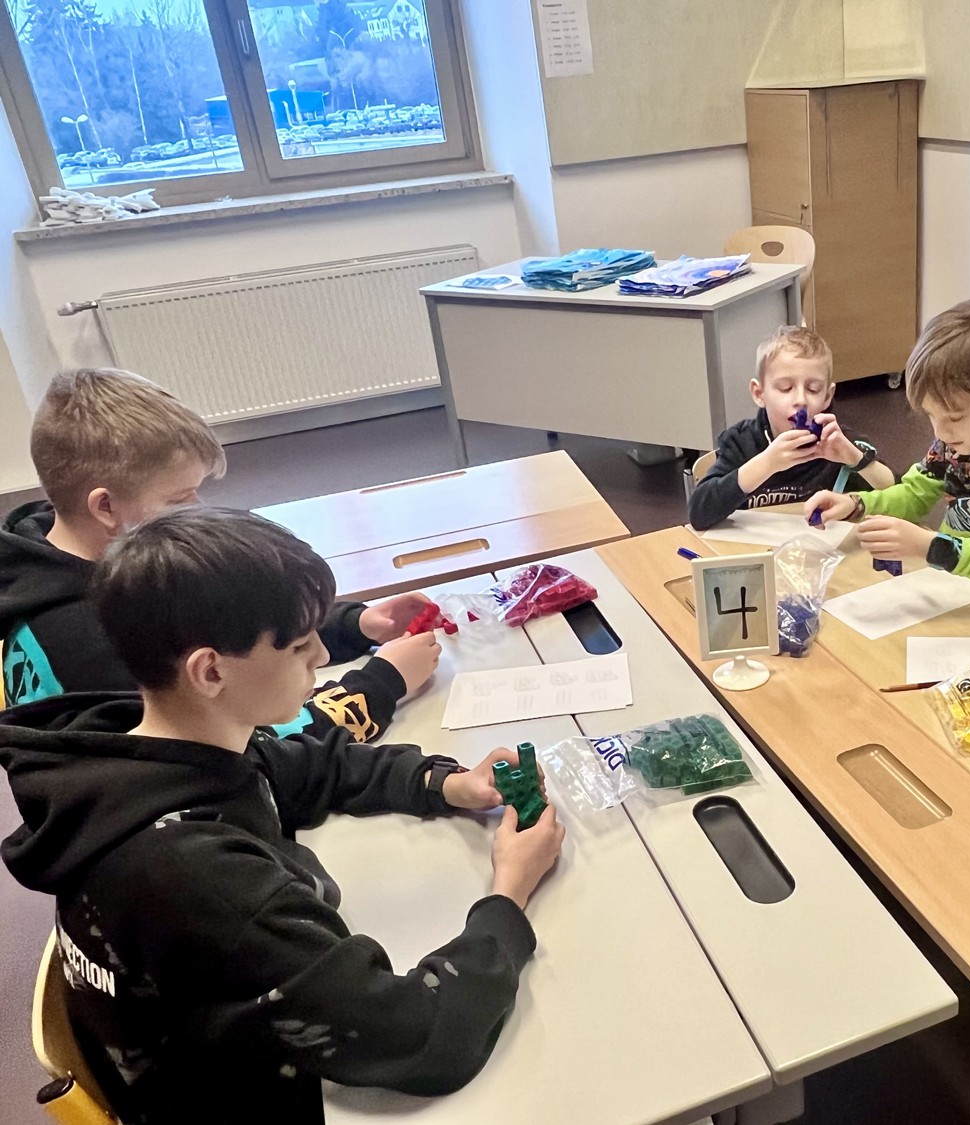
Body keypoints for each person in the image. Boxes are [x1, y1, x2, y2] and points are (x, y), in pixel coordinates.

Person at [0, 507, 565, 1124]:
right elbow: (416, 1036)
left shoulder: (153, 742)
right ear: (210, 671)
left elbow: (303, 766)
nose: (322, 653)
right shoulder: (200, 881)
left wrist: (445, 783)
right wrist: (509, 895)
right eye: (298, 645)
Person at [0, 367, 438, 741]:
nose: (198, 510)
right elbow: (246, 749)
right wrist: (381, 684)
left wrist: (354, 625)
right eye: (179, 498)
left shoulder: (100, 561)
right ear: (105, 507)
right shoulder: (94, 639)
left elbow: (232, 620)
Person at [805, 299, 970, 596]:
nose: (940, 432)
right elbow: (914, 495)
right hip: (953, 592)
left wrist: (932, 547)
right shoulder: (957, 440)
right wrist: (857, 504)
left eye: (955, 417)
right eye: (931, 415)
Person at [688, 325, 885, 530]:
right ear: (759, 393)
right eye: (785, 388)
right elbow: (699, 514)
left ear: (827, 396)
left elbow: (899, 497)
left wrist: (855, 458)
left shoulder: (837, 442)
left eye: (813, 389)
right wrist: (767, 463)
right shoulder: (740, 442)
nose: (801, 400)